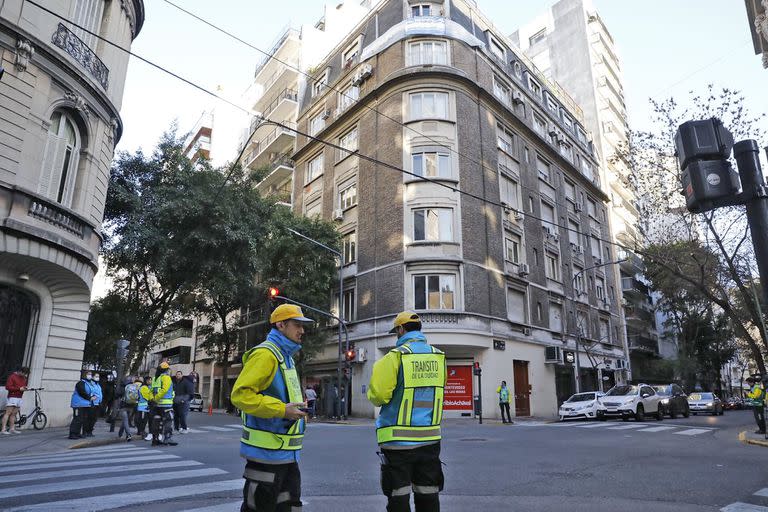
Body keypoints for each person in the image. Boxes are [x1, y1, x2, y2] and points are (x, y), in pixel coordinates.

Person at [230, 304, 312, 512]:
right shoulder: (266, 354)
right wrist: (283, 410)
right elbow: (241, 395)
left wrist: (298, 411)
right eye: (297, 325)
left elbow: (283, 397)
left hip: (286, 455)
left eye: (303, 326)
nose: (302, 331)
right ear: (281, 325)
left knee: (289, 507)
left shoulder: (287, 357)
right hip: (266, 456)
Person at [367, 311, 447, 512]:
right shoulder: (438, 357)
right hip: (430, 441)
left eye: (396, 331)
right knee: (428, 495)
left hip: (397, 443)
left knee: (399, 496)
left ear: (401, 330)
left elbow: (378, 397)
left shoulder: (393, 358)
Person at [150, 362, 177, 446]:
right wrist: (157, 398)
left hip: (156, 405)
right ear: (166, 370)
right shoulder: (166, 377)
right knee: (168, 421)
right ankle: (167, 438)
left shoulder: (155, 378)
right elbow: (164, 390)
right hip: (166, 405)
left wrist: (153, 399)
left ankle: (155, 439)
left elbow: (151, 390)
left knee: (156, 421)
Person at [69, 370, 98, 439]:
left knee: (82, 419)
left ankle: (77, 433)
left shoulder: (88, 383)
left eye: (90, 374)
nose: (90, 376)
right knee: (77, 419)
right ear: (84, 375)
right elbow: (82, 392)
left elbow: (90, 391)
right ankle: (72, 434)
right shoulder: (80, 383)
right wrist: (90, 398)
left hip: (85, 404)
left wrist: (93, 396)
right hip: (78, 404)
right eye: (88, 374)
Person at [1, 367, 29, 435]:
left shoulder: (24, 378)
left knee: (14, 414)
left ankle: (12, 429)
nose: (25, 375)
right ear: (20, 371)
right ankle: (3, 429)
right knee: (8, 413)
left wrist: (25, 388)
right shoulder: (12, 376)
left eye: (26, 374)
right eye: (24, 374)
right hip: (12, 397)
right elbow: (8, 387)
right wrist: (19, 389)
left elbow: (23, 386)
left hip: (19, 397)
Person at [137, 375, 153, 440]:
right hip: (143, 407)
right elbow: (148, 397)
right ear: (146, 381)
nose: (150, 381)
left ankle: (142, 432)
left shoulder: (148, 387)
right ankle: (141, 432)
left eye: (151, 380)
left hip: (145, 407)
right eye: (149, 380)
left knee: (145, 420)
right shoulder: (144, 387)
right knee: (143, 421)